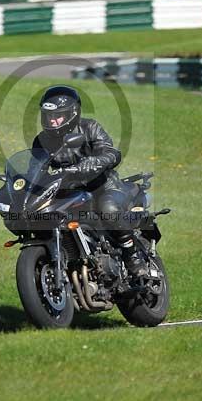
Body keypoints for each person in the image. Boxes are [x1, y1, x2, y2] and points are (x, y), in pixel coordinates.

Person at [32, 85, 148, 277]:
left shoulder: (89, 127)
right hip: (69, 192)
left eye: (57, 115)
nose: (52, 121)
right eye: (48, 116)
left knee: (108, 209)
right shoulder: (41, 140)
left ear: (72, 113)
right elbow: (35, 168)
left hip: (102, 187)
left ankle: (132, 256)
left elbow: (111, 152)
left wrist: (94, 161)